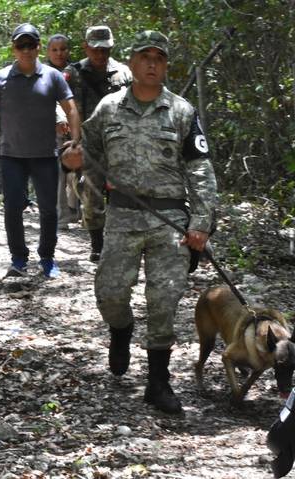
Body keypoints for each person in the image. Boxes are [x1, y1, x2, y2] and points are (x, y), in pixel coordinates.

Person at [78, 31, 216, 414]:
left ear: (166, 65)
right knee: (109, 292)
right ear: (132, 62)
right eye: (145, 56)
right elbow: (88, 151)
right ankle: (121, 331)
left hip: (169, 219)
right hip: (121, 215)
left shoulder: (181, 111)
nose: (152, 63)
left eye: (160, 58)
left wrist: (201, 223)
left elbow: (201, 170)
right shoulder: (109, 108)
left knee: (164, 300)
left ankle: (158, 382)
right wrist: (75, 162)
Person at [0, 23, 81, 278]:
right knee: (12, 208)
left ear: (39, 47)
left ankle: (47, 258)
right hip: (12, 156)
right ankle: (18, 259)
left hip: (45, 155)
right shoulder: (0, 79)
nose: (26, 50)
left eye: (31, 45)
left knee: (49, 209)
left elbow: (71, 108)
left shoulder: (52, 77)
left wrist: (75, 141)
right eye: (22, 45)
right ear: (14, 49)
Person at [64, 25, 132, 261]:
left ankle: (120, 242)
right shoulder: (72, 74)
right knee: (91, 194)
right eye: (96, 50)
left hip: (120, 143)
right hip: (88, 143)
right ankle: (97, 245)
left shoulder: (124, 73)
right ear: (86, 47)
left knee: (124, 194)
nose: (101, 55)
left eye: (105, 50)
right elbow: (60, 104)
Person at [45, 34, 79, 230]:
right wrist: (59, 118)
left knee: (81, 172)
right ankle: (61, 216)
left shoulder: (77, 71)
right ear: (48, 52)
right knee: (58, 174)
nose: (59, 53)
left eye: (63, 49)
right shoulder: (42, 73)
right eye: (54, 50)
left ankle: (82, 213)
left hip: (78, 127)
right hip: (52, 130)